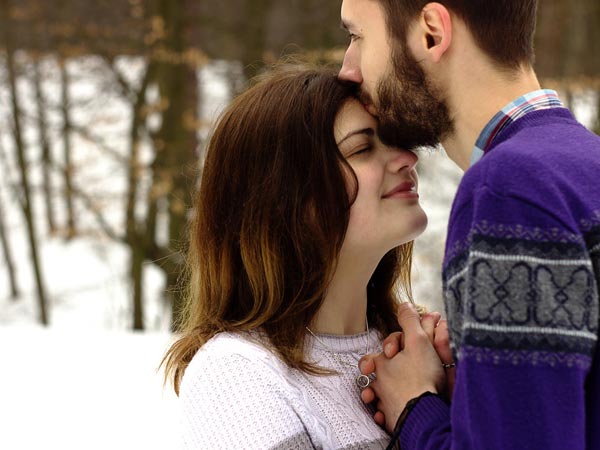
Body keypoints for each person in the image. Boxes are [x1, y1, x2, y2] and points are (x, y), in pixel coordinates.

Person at [338, 0, 600, 449]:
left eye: (357, 36)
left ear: (432, 33)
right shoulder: (582, 166)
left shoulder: (510, 191)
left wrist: (414, 406)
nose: (348, 67)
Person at [161, 65, 441, 449]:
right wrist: (417, 409)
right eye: (362, 148)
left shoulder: (414, 353)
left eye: (394, 140)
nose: (407, 157)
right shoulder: (237, 375)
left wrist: (460, 406)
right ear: (285, 200)